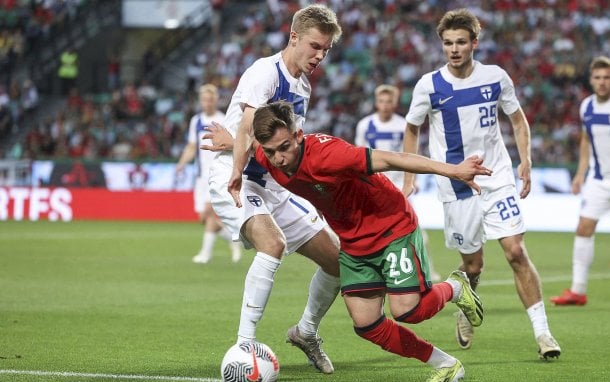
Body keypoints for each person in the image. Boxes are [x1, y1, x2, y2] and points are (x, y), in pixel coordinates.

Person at [230, 101, 489, 382]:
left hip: (391, 228)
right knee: (367, 324)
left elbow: (392, 159)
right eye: (271, 151)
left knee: (408, 311)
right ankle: (447, 364)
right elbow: (250, 144)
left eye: (284, 147)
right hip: (353, 242)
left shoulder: (330, 155)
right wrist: (228, 143)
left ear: (299, 135)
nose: (279, 158)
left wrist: (453, 170)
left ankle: (454, 287)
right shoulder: (267, 154)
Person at [401, 8, 561, 359]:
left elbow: (518, 120)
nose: (454, 49)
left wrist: (526, 162)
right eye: (447, 43)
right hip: (456, 185)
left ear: (474, 43)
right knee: (473, 267)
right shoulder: (429, 85)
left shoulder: (496, 77)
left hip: (497, 178)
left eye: (460, 42)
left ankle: (544, 334)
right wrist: (410, 177)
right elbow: (412, 128)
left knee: (516, 252)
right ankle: (464, 303)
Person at [201, 4, 343, 374]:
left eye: (326, 49)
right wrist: (234, 165)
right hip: (237, 177)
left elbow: (287, 148)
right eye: (315, 46)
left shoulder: (303, 86)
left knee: (337, 260)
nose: (320, 55)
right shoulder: (265, 72)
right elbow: (250, 125)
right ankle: (244, 345)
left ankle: (306, 332)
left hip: (272, 184)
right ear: (294, 37)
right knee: (273, 244)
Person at [551, 56, 610, 305]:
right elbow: (586, 141)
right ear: (591, 80)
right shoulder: (587, 107)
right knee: (584, 228)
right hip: (599, 180)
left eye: (607, 77)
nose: (602, 82)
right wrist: (581, 174)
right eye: (597, 78)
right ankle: (578, 291)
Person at [355, 84, 441, 282]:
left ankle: (427, 270)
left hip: (401, 187)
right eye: (382, 101)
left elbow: (411, 155)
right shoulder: (365, 125)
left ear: (395, 104)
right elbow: (359, 156)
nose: (385, 105)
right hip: (375, 187)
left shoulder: (403, 125)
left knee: (416, 229)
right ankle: (373, 272)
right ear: (377, 103)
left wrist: (413, 179)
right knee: (371, 231)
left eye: (389, 102)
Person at [176, 84, 243, 264]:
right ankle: (234, 240)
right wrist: (182, 163)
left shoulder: (222, 119)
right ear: (200, 101)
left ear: (216, 100)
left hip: (218, 173)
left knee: (210, 213)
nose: (207, 103)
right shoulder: (196, 121)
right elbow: (192, 146)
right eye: (204, 99)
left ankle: (205, 254)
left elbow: (230, 145)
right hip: (200, 177)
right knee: (203, 218)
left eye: (210, 99)